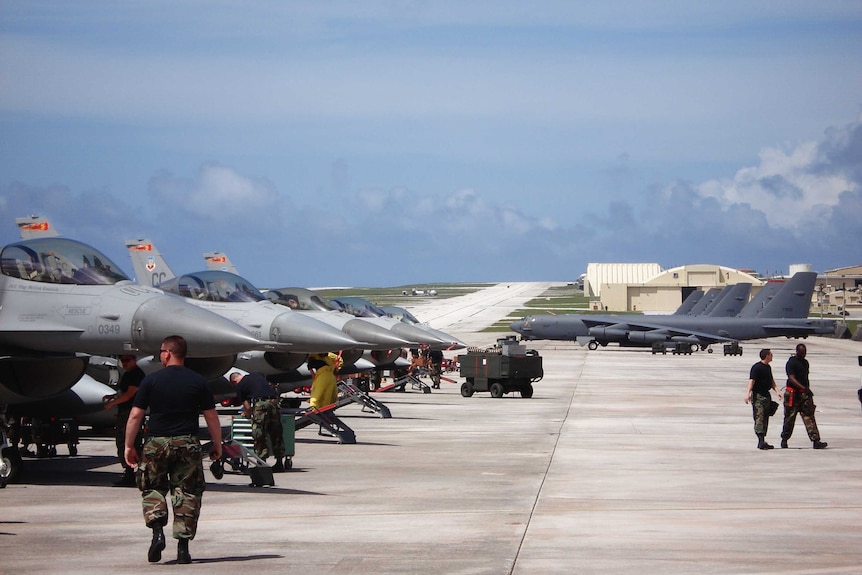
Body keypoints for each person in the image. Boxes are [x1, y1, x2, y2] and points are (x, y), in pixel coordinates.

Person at [124, 335, 223, 565]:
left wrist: (129, 445)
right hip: (186, 442)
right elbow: (211, 416)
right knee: (187, 492)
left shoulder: (151, 380)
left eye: (161, 351)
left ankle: (157, 531)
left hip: (156, 442)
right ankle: (183, 548)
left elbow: (136, 415)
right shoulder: (198, 381)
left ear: (168, 353)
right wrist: (217, 444)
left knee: (152, 487)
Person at [228, 372, 286, 472]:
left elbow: (246, 405)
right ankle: (279, 462)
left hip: (261, 405)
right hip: (273, 402)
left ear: (234, 381)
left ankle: (261, 462)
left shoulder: (240, 385)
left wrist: (248, 413)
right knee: (276, 432)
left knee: (259, 432)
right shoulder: (256, 376)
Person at [103, 354, 144, 486]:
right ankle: (129, 473)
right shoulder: (128, 374)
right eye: (123, 361)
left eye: (127, 360)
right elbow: (124, 391)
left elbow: (129, 394)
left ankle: (133, 474)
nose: (124, 363)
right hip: (125, 413)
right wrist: (113, 397)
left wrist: (112, 403)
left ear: (134, 360)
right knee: (123, 442)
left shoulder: (136, 374)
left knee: (129, 442)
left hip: (131, 414)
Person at [780, 342, 827, 449]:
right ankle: (784, 439)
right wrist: (803, 388)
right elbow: (792, 378)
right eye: (802, 352)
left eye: (805, 352)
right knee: (789, 418)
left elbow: (805, 378)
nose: (804, 354)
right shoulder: (791, 363)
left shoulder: (805, 363)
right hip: (792, 394)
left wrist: (807, 390)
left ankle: (816, 440)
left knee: (809, 416)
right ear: (797, 352)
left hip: (804, 394)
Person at [744, 348, 781, 450]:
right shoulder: (757, 368)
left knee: (765, 418)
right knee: (759, 417)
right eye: (771, 354)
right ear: (767, 356)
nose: (772, 356)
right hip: (758, 396)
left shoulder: (768, 367)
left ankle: (763, 440)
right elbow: (752, 381)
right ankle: (760, 441)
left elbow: (771, 380)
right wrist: (747, 394)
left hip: (766, 395)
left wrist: (777, 391)